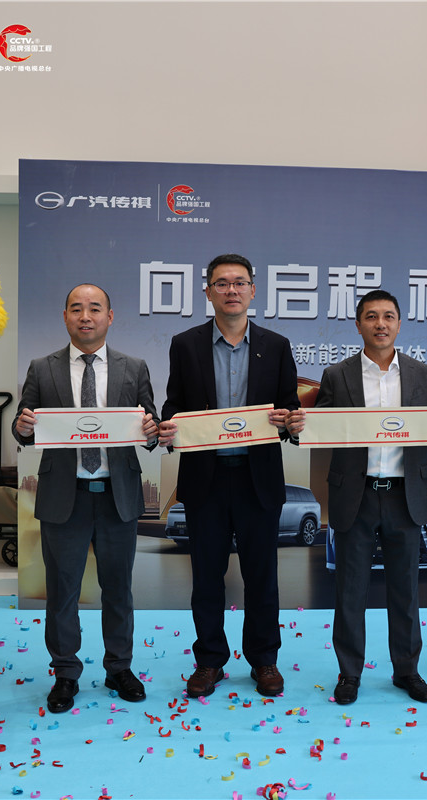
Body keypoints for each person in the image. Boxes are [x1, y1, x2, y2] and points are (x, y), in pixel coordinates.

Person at [289, 290, 427, 705]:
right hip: (356, 493)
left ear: (399, 324)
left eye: (388, 316)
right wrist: (300, 427)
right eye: (371, 316)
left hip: (406, 494)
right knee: (350, 590)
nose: (380, 324)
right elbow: (320, 428)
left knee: (405, 590)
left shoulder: (420, 373)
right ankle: (349, 674)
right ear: (358, 325)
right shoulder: (338, 374)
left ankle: (407, 671)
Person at [12, 283, 159, 713]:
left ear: (110, 317)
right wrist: (22, 427)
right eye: (76, 308)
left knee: (119, 590)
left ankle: (119, 668)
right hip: (65, 497)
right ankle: (65, 672)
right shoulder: (42, 369)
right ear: (65, 317)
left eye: (95, 308)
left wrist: (153, 431)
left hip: (117, 496)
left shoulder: (134, 367)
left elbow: (150, 425)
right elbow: (24, 429)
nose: (85, 316)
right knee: (62, 591)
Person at [157, 254, 299, 699]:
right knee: (206, 577)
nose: (231, 290)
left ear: (253, 290)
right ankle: (209, 661)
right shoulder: (185, 344)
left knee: (262, 577)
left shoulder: (276, 345)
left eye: (239, 282)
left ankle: (264, 660)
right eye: (221, 283)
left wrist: (289, 420)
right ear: (208, 292)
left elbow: (290, 407)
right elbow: (174, 404)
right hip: (207, 479)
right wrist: (169, 425)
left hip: (258, 480)